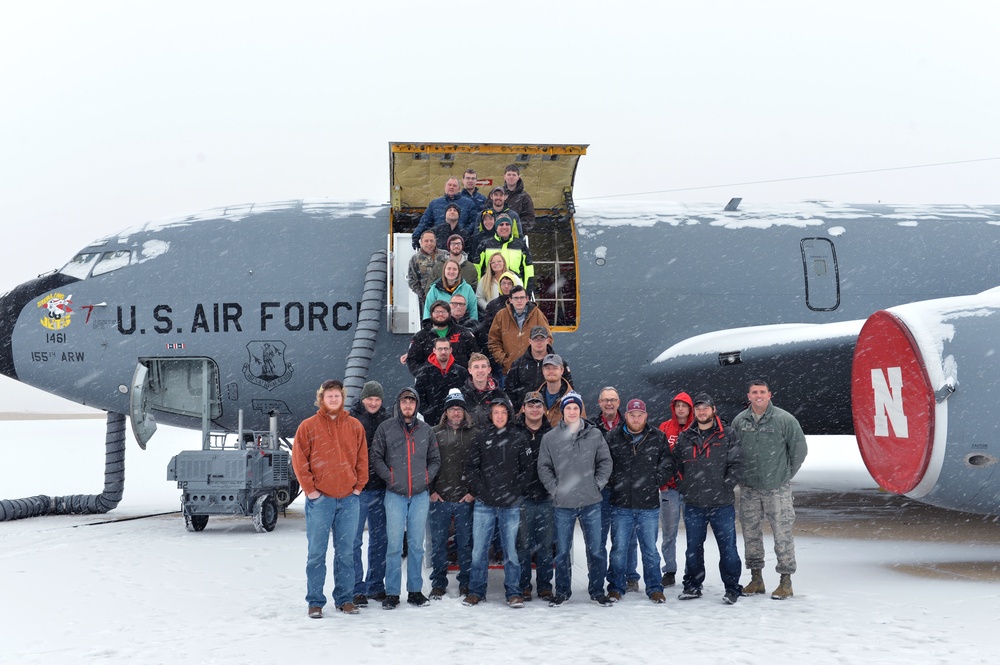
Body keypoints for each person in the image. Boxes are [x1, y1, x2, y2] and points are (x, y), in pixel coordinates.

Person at [292, 379, 368, 618]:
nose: (334, 399)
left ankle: (344, 599)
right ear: (321, 399)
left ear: (342, 398)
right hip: (320, 501)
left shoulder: (355, 426)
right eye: (329, 396)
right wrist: (311, 491)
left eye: (337, 395)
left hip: (349, 500)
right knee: (316, 553)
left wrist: (358, 487)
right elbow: (299, 461)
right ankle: (315, 601)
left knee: (346, 553)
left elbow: (362, 459)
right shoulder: (308, 426)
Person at [731, 379, 808, 600]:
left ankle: (786, 581)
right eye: (754, 392)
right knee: (751, 534)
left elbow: (799, 450)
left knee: (782, 534)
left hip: (777, 489)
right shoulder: (740, 421)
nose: (758, 395)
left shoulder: (784, 419)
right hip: (750, 489)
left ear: (769, 394)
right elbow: (734, 451)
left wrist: (784, 475)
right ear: (748, 396)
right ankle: (756, 578)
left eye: (762, 392)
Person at [537, 391, 614, 607]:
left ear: (580, 410)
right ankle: (562, 591)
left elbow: (605, 462)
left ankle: (597, 591)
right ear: (562, 412)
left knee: (596, 550)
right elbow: (543, 466)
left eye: (575, 408)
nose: (572, 411)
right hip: (563, 504)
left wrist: (597, 484)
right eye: (568, 408)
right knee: (562, 551)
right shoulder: (550, 438)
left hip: (591, 501)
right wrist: (555, 489)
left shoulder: (595, 435)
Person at [370, 387, 441, 609]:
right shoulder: (386, 428)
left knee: (416, 546)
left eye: (411, 401)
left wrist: (426, 478)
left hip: (419, 494)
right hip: (395, 494)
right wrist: (390, 478)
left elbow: (435, 459)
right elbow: (376, 457)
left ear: (416, 405)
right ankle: (392, 592)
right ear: (398, 405)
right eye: (404, 402)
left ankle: (415, 591)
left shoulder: (426, 430)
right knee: (393, 546)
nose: (408, 405)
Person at [673, 393, 743, 605]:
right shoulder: (686, 436)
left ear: (713, 410)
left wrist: (726, 485)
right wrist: (684, 484)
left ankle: (732, 588)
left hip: (721, 504)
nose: (702, 412)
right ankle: (693, 585)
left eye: (706, 408)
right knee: (693, 548)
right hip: (694, 503)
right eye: (699, 408)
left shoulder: (728, 435)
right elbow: (675, 464)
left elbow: (737, 464)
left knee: (728, 548)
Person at [464, 395, 530, 608]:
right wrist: (481, 492)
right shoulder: (481, 438)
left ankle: (513, 592)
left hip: (510, 505)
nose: (499, 416)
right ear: (491, 416)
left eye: (503, 412)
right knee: (479, 550)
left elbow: (527, 470)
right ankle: (476, 591)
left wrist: (515, 492)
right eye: (496, 413)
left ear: (508, 414)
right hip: (485, 504)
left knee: (511, 551)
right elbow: (471, 469)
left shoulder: (519, 438)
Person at [605, 399, 672, 604]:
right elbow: (603, 463)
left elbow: (667, 462)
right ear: (625, 416)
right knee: (618, 549)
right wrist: (614, 482)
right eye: (632, 415)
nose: (636, 418)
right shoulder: (613, 437)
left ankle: (654, 587)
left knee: (650, 550)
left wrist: (655, 481)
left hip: (648, 505)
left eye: (640, 415)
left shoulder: (657, 437)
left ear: (646, 416)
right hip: (621, 504)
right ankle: (616, 587)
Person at [428, 389, 476, 600]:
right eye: (452, 409)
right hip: (440, 498)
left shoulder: (475, 433)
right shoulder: (434, 433)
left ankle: (466, 582)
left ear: (464, 412)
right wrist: (430, 491)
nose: (456, 413)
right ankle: (438, 582)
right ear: (446, 412)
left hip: (465, 499)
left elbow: (481, 465)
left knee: (465, 544)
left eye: (459, 409)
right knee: (438, 543)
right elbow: (425, 463)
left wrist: (473, 492)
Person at [349, 381, 391, 606]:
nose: (373, 403)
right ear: (363, 399)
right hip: (357, 490)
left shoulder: (387, 420)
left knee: (379, 540)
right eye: (370, 399)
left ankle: (376, 584)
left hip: (381, 489)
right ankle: (357, 588)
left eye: (377, 399)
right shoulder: (352, 420)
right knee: (354, 541)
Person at [594, 387, 639, 594]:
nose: (609, 404)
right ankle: (600, 577)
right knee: (599, 537)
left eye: (612, 400)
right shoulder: (592, 427)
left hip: (624, 488)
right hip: (600, 490)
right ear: (599, 403)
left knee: (626, 537)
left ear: (619, 402)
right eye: (605, 400)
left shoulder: (629, 424)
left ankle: (630, 576)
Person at [514, 391, 554, 601]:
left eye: (538, 405)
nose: (534, 408)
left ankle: (545, 586)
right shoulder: (515, 432)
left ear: (544, 409)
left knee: (546, 546)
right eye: (530, 405)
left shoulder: (552, 434)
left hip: (547, 498)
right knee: (523, 546)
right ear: (524, 408)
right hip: (523, 499)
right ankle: (523, 586)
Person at [657, 391, 693, 588]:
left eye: (684, 405)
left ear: (690, 408)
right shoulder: (664, 427)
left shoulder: (696, 427)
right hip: (669, 489)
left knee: (693, 533)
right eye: (677, 405)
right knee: (669, 532)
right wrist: (662, 480)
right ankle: (669, 570)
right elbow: (659, 456)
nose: (680, 409)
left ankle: (692, 571)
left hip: (690, 489)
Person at [403, 300, 479, 377]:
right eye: (436, 312)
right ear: (431, 314)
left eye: (444, 312)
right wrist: (423, 376)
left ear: (449, 314)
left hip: (460, 380)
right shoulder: (420, 336)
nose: (440, 314)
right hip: (430, 381)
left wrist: (467, 375)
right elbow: (412, 360)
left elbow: (475, 356)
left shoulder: (463, 333)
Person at [504, 326, 573, 409]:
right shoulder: (518, 364)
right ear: (530, 341)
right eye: (535, 339)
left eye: (542, 339)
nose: (539, 342)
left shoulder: (560, 363)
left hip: (551, 412)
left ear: (548, 340)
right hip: (524, 414)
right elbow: (509, 391)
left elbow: (569, 389)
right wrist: (518, 410)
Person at [488, 285, 549, 376]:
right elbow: (493, 341)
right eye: (516, 298)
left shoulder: (537, 314)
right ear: (510, 300)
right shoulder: (501, 315)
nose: (519, 301)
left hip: (533, 371)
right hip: (509, 370)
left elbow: (548, 339)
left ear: (527, 299)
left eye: (522, 297)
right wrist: (505, 360)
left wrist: (537, 359)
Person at [473, 215, 535, 295]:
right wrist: (479, 288)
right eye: (501, 224)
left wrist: (527, 292)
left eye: (507, 224)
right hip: (491, 288)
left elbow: (528, 270)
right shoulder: (485, 244)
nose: (504, 227)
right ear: (496, 227)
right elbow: (477, 268)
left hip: (515, 288)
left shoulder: (520, 245)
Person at [415, 337, 470, 426]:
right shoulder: (423, 374)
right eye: (440, 349)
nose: (443, 352)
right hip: (433, 423)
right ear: (434, 350)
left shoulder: (461, 372)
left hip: (457, 423)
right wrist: (429, 413)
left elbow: (467, 395)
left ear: (451, 350)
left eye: (446, 348)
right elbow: (419, 398)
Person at [411, 177, 476, 248]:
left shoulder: (468, 203)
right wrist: (416, 236)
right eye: (449, 185)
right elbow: (424, 222)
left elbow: (474, 222)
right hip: (439, 241)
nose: (451, 187)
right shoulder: (435, 203)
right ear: (445, 187)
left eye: (454, 186)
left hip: (459, 243)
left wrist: (464, 233)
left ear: (459, 189)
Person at [407, 230, 447, 315]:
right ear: (421, 242)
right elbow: (412, 280)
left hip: (445, 296)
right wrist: (423, 295)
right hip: (426, 299)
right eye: (426, 241)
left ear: (436, 242)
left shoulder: (445, 255)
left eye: (432, 241)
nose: (429, 243)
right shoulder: (415, 259)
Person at [461, 352, 506, 428]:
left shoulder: (499, 395)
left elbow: (509, 420)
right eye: (476, 367)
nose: (480, 370)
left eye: (483, 366)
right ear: (470, 370)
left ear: (489, 370)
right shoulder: (461, 395)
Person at [538, 353, 583, 426]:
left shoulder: (574, 400)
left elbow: (583, 429)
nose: (551, 371)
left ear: (562, 370)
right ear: (543, 371)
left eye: (555, 368)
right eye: (548, 368)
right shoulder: (534, 398)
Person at [502, 163, 535, 232]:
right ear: (504, 176)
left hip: (517, 236)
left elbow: (529, 218)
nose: (511, 177)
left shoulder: (525, 197)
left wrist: (516, 229)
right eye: (509, 174)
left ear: (518, 177)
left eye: (514, 175)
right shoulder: (497, 194)